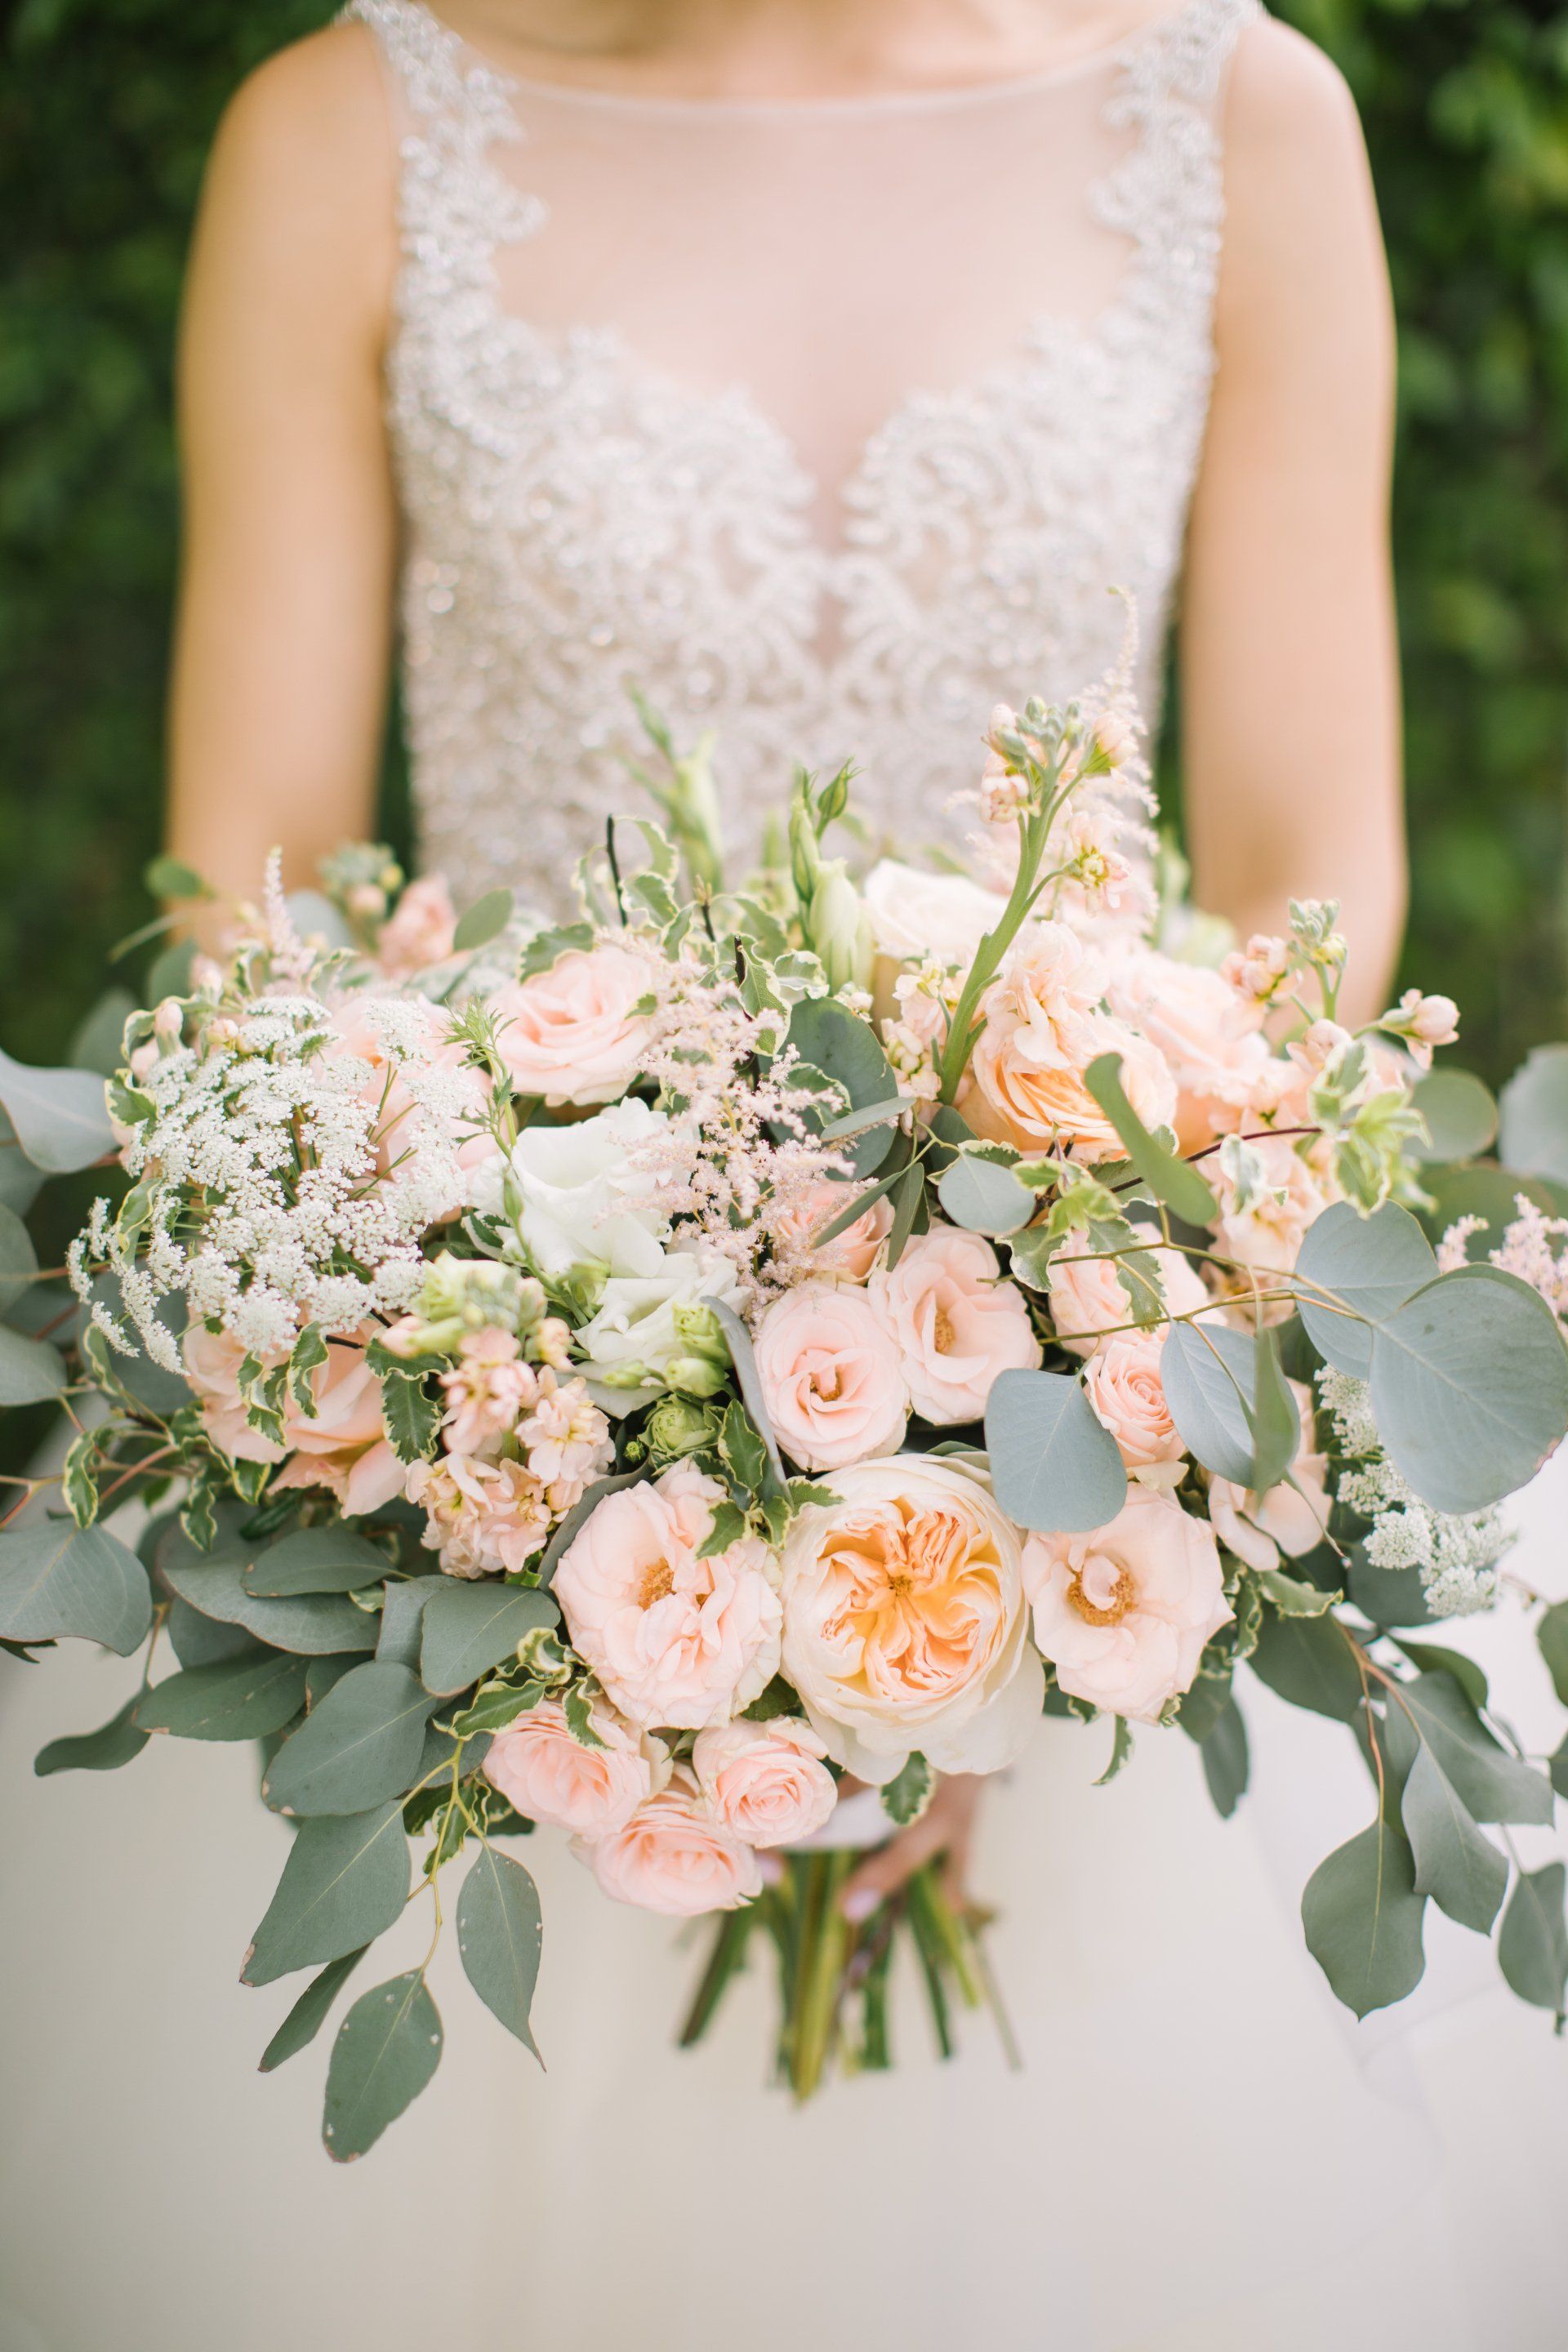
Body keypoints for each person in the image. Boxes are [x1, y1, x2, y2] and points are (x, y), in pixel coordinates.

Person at [18, 8, 1561, 2351]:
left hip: (1097, 1423)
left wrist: (1016, 1573)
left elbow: (1301, 915)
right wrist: (519, 1484)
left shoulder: (1240, 118)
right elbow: (258, 929)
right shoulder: (349, 132)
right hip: (492, 1436)